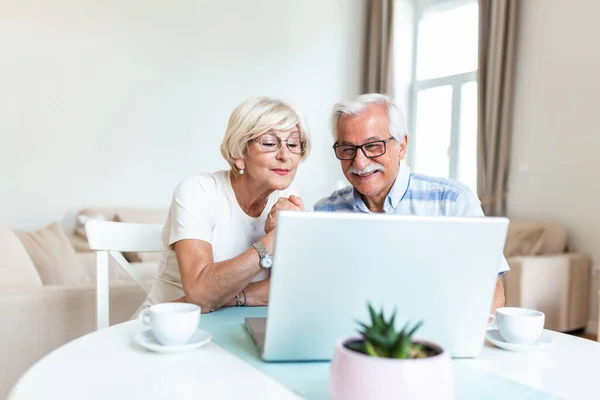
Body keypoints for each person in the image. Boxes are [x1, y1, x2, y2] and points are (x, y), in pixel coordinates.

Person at [314, 93, 508, 314]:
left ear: (402, 146)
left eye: (374, 146)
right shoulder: (324, 212)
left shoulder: (451, 203)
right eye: (347, 149)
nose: (359, 161)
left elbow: (490, 289)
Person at [140, 96, 311, 313]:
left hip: (233, 325)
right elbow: (200, 293)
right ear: (238, 153)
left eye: (294, 144)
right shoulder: (197, 191)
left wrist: (226, 297)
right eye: (269, 142)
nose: (285, 155)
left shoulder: (287, 199)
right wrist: (274, 239)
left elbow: (291, 287)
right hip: (165, 330)